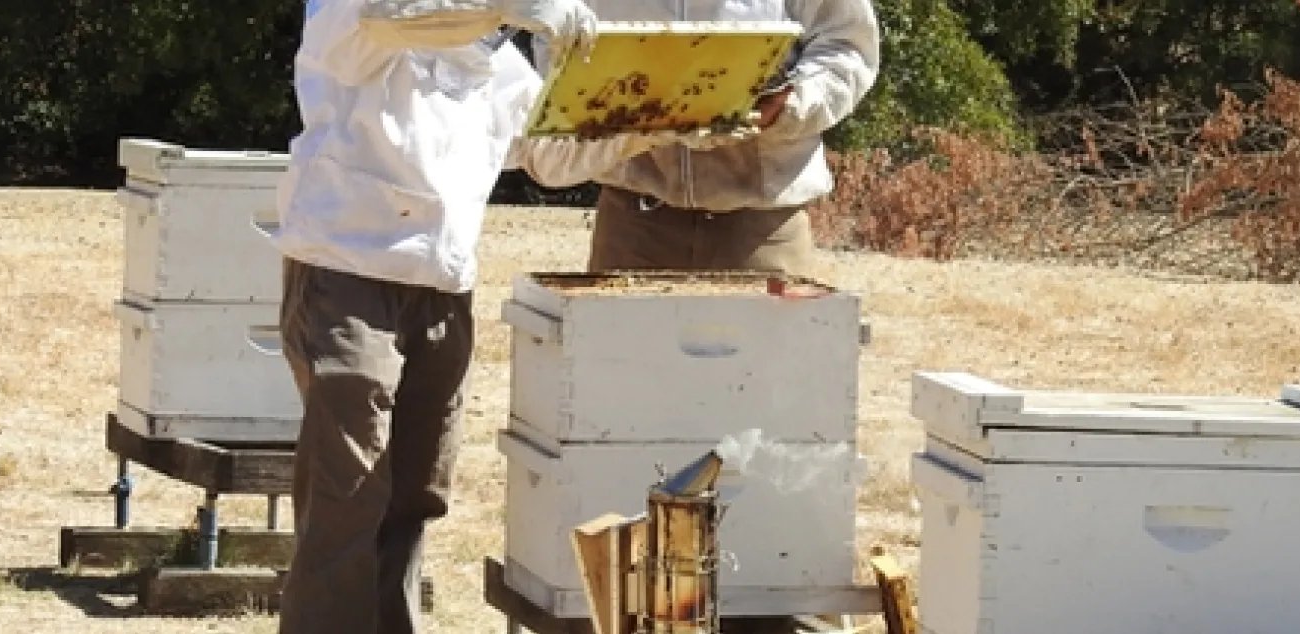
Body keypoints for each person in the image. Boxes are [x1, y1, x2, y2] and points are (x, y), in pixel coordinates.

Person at [261, 0, 623, 631]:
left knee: (412, 498)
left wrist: (654, 125)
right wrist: (514, 8)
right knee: (347, 494)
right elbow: (395, 18)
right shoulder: (353, 14)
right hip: (346, 275)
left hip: (442, 292)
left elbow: (548, 154)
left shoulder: (492, 61)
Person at [515, 0, 881, 277]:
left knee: (770, 373)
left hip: (762, 225)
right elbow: (554, 40)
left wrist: (791, 103)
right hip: (633, 221)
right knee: (622, 372)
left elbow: (846, 46)